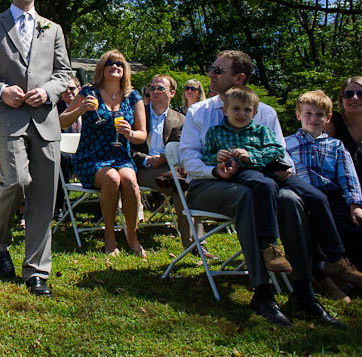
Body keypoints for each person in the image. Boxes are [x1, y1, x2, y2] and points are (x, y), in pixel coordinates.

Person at [179, 50, 358, 327]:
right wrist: (216, 169)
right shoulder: (199, 112)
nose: (211, 74)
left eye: (218, 70)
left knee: (291, 199)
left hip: (260, 180)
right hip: (208, 184)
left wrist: (269, 164)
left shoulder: (264, 112)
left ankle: (303, 291)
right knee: (248, 195)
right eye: (212, 69)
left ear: (239, 78)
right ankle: (262, 291)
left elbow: (283, 155)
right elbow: (189, 158)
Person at [0, 0, 71, 297]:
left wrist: (50, 92)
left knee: (44, 195)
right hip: (7, 117)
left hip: (44, 119)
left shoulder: (52, 28)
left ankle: (37, 271)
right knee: (16, 179)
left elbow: (64, 72)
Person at [60, 50, 147, 257]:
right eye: (110, 63)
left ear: (124, 70)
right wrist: (81, 110)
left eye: (119, 64)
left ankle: (132, 237)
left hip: (120, 156)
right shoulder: (89, 92)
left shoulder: (133, 96)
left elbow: (142, 136)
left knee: (130, 181)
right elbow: (62, 121)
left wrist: (130, 132)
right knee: (111, 178)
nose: (115, 66)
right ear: (102, 68)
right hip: (91, 157)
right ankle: (110, 237)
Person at [200, 86, 292, 273]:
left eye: (247, 110)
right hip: (236, 178)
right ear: (225, 111)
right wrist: (217, 159)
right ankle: (270, 243)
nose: (241, 114)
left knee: (301, 194)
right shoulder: (215, 133)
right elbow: (206, 157)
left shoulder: (261, 131)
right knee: (264, 184)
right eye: (236, 109)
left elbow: (277, 150)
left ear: (255, 112)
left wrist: (251, 154)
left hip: (261, 171)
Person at [286, 90, 362, 298]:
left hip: (332, 195)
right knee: (311, 226)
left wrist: (355, 204)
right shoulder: (287, 144)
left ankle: (343, 271)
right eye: (308, 113)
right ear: (298, 115)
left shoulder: (335, 146)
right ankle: (324, 277)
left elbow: (348, 175)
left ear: (328, 118)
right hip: (303, 197)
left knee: (353, 224)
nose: (313, 119)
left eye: (319, 115)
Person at [131, 74, 205, 252]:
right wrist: (146, 159)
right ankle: (195, 244)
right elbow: (125, 147)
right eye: (152, 88)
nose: (154, 91)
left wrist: (171, 159)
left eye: (160, 88)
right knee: (181, 185)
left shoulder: (181, 120)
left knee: (188, 184)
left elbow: (185, 148)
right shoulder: (137, 115)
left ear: (172, 93)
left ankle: (196, 243)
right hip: (140, 168)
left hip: (170, 169)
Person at [53, 76, 82, 222]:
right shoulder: (56, 110)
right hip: (63, 152)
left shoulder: (89, 109)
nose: (68, 92)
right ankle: (58, 205)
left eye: (71, 88)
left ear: (79, 90)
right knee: (63, 157)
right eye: (64, 89)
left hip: (85, 151)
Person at [327, 76, 362, 182]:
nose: (355, 98)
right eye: (348, 94)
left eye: (361, 94)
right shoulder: (331, 121)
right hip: (339, 187)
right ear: (341, 99)